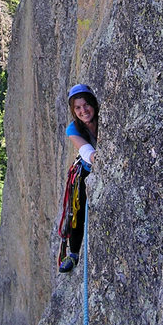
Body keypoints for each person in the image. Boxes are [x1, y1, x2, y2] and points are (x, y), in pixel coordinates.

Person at [59, 83, 99, 273]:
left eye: (86, 105)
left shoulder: (103, 118)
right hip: (86, 167)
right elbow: (86, 151)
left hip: (93, 162)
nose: (84, 110)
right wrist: (97, 158)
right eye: (78, 107)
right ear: (74, 111)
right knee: (78, 208)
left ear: (93, 103)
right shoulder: (73, 129)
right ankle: (73, 253)